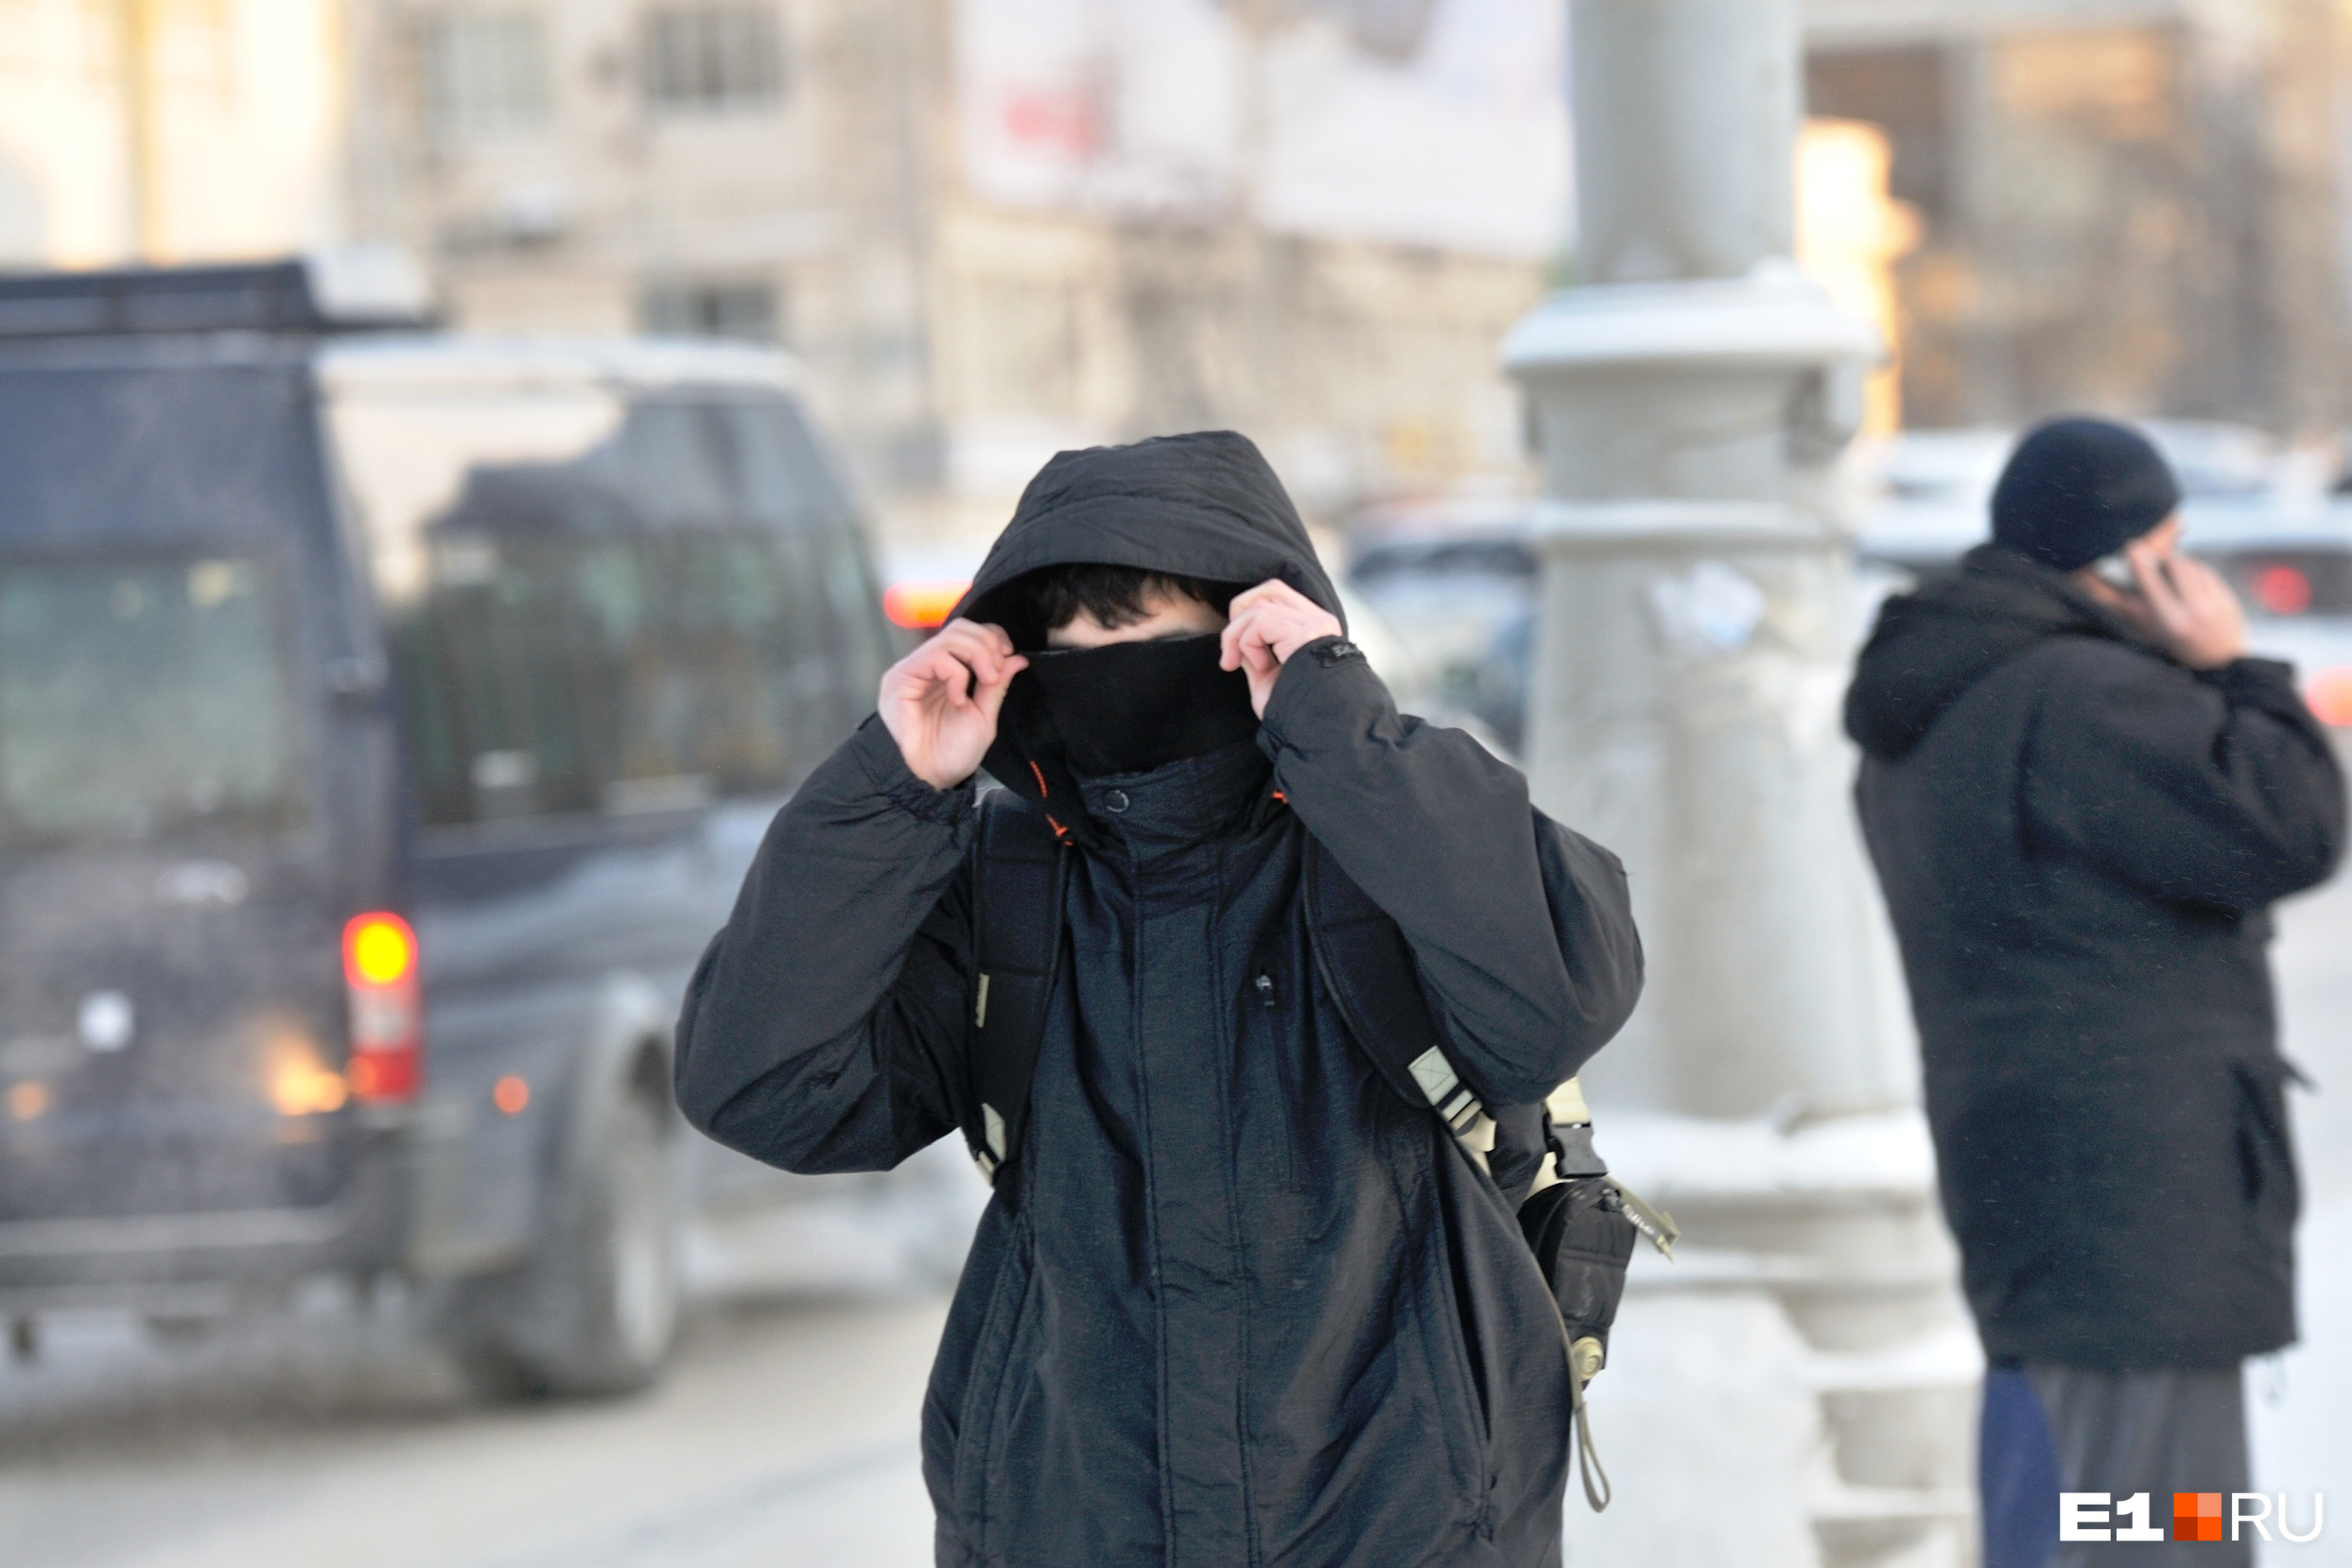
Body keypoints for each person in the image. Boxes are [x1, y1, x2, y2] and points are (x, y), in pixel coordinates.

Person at [672, 430, 1643, 1567]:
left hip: (1402, 1520)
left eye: (1137, 627)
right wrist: (891, 788)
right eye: (1062, 636)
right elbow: (761, 1088)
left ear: (1257, 626)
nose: (1098, 667)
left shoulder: (1386, 832)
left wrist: (1342, 728)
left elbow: (1557, 994)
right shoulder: (1007, 876)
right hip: (1067, 1519)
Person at [1843, 417, 2345, 1567]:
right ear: (2118, 560)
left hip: (2036, 1200)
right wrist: (2234, 666)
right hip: (2138, 1220)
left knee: (2065, 1516)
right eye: (2170, 547)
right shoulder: (2081, 696)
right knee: (2165, 1534)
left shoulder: (1928, 706)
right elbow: (2296, 822)